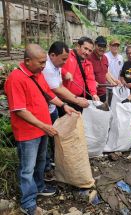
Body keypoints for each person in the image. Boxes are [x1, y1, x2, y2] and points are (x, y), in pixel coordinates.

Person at [4, 44, 77, 215]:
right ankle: (28, 203)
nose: (44, 66)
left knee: (41, 161)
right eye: (41, 62)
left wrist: (64, 105)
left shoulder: (37, 74)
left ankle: (39, 186)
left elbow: (48, 94)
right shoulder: (16, 79)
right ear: (27, 61)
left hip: (43, 129)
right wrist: (43, 125)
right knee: (27, 169)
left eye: (45, 62)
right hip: (27, 133)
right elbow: (20, 110)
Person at [42, 41, 89, 179]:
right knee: (44, 140)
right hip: (43, 110)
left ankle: (54, 160)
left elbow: (59, 78)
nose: (65, 62)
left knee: (54, 136)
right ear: (52, 55)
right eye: (63, 59)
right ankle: (45, 169)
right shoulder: (47, 68)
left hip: (52, 108)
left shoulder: (55, 64)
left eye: (67, 58)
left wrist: (65, 71)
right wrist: (76, 99)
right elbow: (58, 90)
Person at [61, 36, 99, 112]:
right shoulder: (67, 56)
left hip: (80, 99)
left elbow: (90, 80)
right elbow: (54, 66)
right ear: (78, 46)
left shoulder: (88, 64)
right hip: (65, 98)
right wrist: (64, 72)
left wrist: (94, 94)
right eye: (85, 48)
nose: (87, 52)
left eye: (90, 51)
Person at [88, 36, 120, 102]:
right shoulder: (89, 58)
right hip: (91, 94)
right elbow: (84, 76)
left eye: (104, 46)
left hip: (103, 92)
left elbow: (105, 72)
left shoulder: (105, 58)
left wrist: (113, 81)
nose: (102, 49)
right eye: (99, 46)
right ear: (95, 45)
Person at [105, 38, 123, 105]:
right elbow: (106, 71)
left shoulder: (120, 57)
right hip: (107, 85)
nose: (116, 47)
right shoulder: (105, 56)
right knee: (107, 104)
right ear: (109, 46)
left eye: (117, 46)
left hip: (117, 85)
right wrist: (114, 81)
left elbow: (120, 71)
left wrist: (120, 81)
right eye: (113, 45)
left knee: (115, 104)